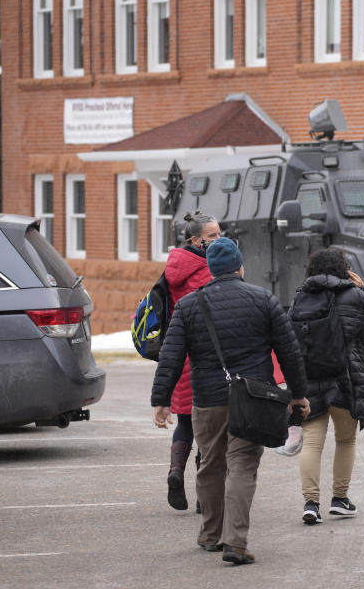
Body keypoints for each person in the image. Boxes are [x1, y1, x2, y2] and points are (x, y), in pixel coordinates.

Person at [151, 237, 310, 565]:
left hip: (207, 400)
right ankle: (235, 542)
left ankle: (211, 535)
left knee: (210, 464)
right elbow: (289, 351)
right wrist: (297, 395)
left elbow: (171, 355)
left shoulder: (190, 305)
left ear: (210, 268)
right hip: (252, 399)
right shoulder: (263, 299)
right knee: (242, 466)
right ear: (240, 266)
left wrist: (161, 400)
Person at [292, 250, 364, 525]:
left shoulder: (301, 295)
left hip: (311, 379)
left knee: (312, 443)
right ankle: (340, 499)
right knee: (345, 440)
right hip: (345, 378)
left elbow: (290, 337)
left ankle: (311, 504)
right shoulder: (354, 294)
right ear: (344, 270)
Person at [162, 211, 219, 512]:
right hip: (207, 354)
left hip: (180, 350)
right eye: (212, 236)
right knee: (209, 427)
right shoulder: (207, 269)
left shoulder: (174, 264)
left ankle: (174, 472)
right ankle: (202, 495)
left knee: (186, 421)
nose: (218, 240)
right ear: (196, 239)